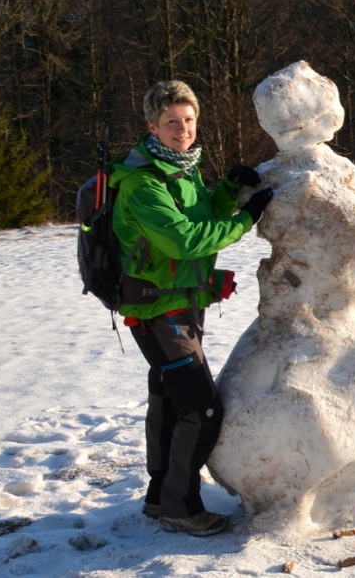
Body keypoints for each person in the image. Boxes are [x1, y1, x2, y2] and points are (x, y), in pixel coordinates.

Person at [111, 80, 273, 536]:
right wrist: (245, 219)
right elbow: (184, 241)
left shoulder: (181, 170)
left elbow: (200, 217)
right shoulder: (144, 183)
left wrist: (227, 191)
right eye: (171, 122)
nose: (183, 129)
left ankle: (159, 495)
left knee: (169, 399)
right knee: (201, 411)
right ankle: (180, 507)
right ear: (152, 126)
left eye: (189, 119)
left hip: (180, 304)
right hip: (158, 313)